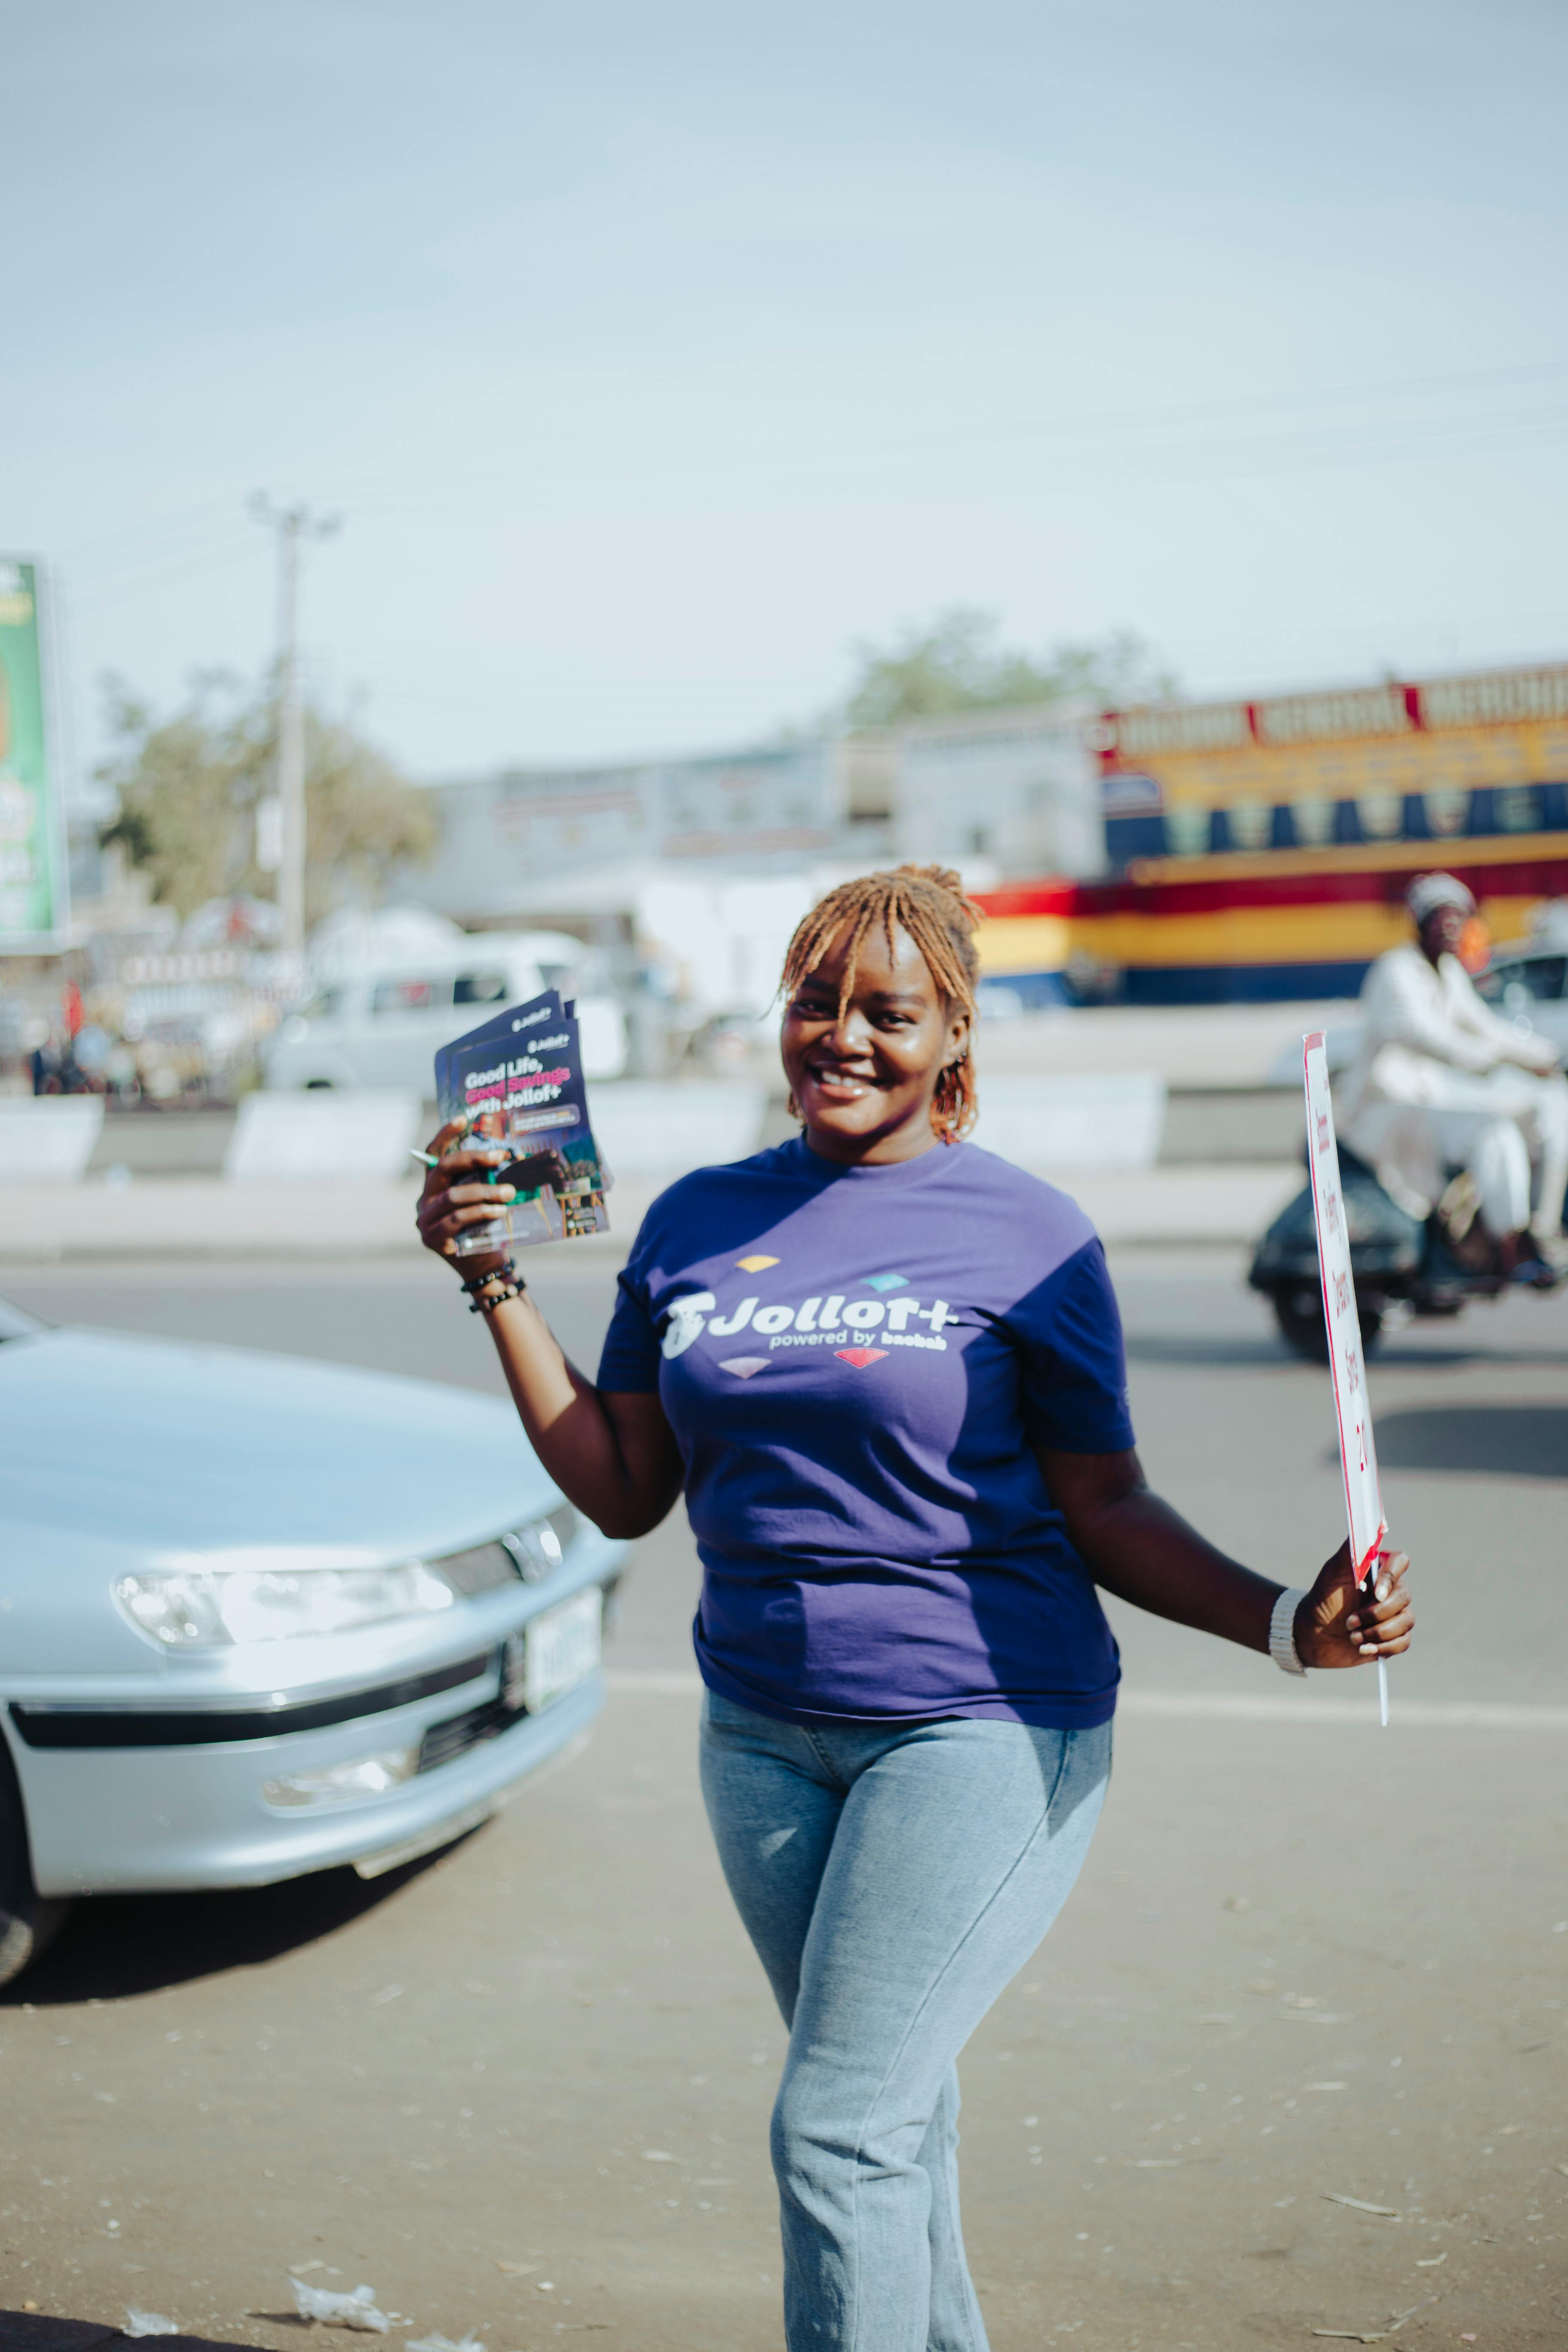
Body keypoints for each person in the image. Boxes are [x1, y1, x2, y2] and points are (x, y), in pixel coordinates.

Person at [416, 864, 1414, 2352]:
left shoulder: (1031, 1236)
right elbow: (627, 1487)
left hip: (980, 1732)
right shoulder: (696, 1219)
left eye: (885, 1012)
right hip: (757, 1735)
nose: (840, 1037)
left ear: (954, 1033)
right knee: (886, 2114)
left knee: (837, 2129)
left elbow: (1106, 1505)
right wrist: (491, 1279)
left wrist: (1287, 1622)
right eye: (813, 1003)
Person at [1339, 872, 1568, 1271]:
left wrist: (1545, 1057)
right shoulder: (1397, 971)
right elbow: (1424, 1034)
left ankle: (1542, 1226)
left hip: (1429, 1102)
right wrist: (1489, 1060)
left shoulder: (1448, 973)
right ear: (1421, 924)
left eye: (1459, 920)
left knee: (1537, 1110)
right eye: (1442, 919)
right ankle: (1510, 1244)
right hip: (1389, 1111)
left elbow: (1488, 1027)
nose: (1451, 929)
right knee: (1493, 1131)